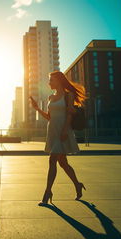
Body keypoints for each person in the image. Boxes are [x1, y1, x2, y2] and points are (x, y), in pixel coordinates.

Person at [30, 71, 86, 205]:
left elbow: (69, 116)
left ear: (59, 81)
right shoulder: (50, 97)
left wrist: (65, 130)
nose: (49, 83)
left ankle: (47, 192)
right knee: (63, 163)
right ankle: (78, 185)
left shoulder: (68, 95)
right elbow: (49, 117)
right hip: (53, 131)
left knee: (52, 159)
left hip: (63, 130)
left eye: (51, 80)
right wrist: (37, 108)